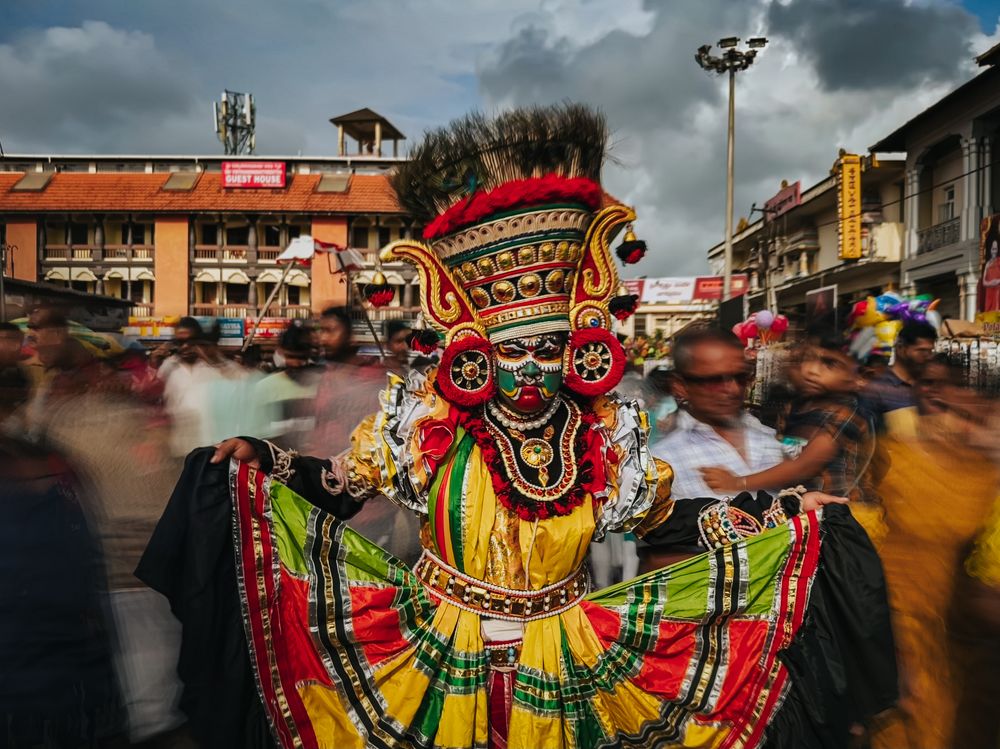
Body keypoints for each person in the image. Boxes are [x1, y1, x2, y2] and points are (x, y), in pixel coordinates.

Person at [140, 105, 895, 749]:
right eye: (511, 352)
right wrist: (267, 461)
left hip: (567, 657)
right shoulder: (426, 419)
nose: (531, 370)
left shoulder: (604, 433)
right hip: (433, 652)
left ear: (578, 349)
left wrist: (780, 511)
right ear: (475, 348)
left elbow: (666, 519)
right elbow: (339, 485)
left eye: (548, 350)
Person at [870, 356, 1000, 749]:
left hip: (975, 657)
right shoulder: (897, 458)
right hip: (907, 638)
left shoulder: (991, 476)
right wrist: (898, 661)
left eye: (980, 417)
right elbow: (879, 561)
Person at [701, 328, 874, 503]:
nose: (810, 370)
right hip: (802, 505)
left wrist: (738, 482)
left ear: (859, 378)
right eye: (805, 359)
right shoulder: (795, 406)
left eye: (830, 364)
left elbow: (803, 467)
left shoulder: (845, 414)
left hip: (839, 512)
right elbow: (783, 456)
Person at [651, 326, 787, 501]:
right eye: (715, 380)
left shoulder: (768, 439)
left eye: (741, 377)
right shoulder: (664, 462)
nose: (733, 389)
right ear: (681, 386)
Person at [253, 324, 321, 447]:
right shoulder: (264, 388)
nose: (296, 363)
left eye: (301, 358)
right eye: (291, 356)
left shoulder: (322, 386)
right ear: (281, 352)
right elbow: (258, 436)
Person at [861, 320, 937, 423]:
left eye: (930, 351)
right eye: (921, 351)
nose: (928, 357)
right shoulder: (878, 389)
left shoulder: (930, 386)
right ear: (901, 349)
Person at [981, 227, 1000, 312]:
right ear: (990, 250)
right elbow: (984, 282)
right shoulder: (987, 264)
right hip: (989, 293)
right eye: (993, 249)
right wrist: (991, 283)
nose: (994, 251)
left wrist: (997, 281)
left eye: (995, 249)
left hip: (997, 292)